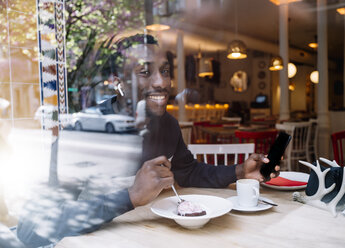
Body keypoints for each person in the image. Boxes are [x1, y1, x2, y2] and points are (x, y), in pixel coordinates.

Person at [15, 34, 279, 247]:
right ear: (117, 82)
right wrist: (131, 196)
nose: (161, 82)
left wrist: (238, 171)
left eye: (165, 71)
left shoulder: (168, 125)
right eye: (145, 71)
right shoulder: (84, 133)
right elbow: (31, 229)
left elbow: (187, 171)